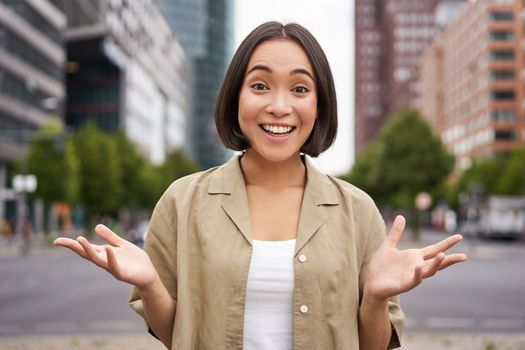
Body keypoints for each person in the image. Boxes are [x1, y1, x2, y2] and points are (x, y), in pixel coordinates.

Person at [54, 21, 467, 350]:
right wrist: (148, 283)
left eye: (300, 89)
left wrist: (375, 298)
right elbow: (175, 336)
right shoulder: (182, 201)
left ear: (319, 105)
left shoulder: (356, 210)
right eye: (260, 85)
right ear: (236, 97)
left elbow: (371, 347)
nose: (280, 106)